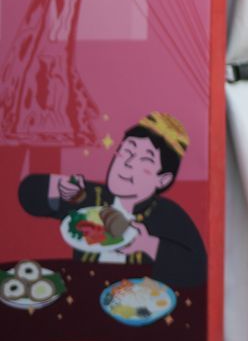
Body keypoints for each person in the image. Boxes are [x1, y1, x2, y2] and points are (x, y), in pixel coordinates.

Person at [18, 111, 207, 287]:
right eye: (127, 151)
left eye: (145, 160)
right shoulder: (89, 197)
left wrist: (148, 245)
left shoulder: (167, 214)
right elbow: (27, 193)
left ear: (163, 179)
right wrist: (59, 186)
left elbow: (200, 271)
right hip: (84, 295)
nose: (128, 163)